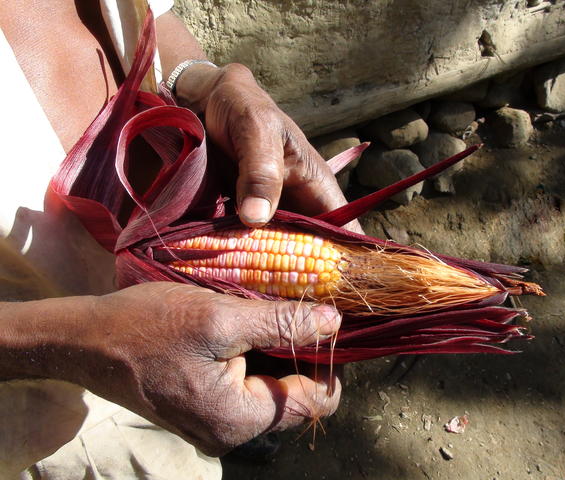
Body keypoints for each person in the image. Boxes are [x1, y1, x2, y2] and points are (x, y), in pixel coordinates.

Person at [0, 1, 356, 477]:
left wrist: (205, 80)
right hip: (58, 432)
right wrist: (71, 343)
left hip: (200, 305)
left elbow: (155, 22)